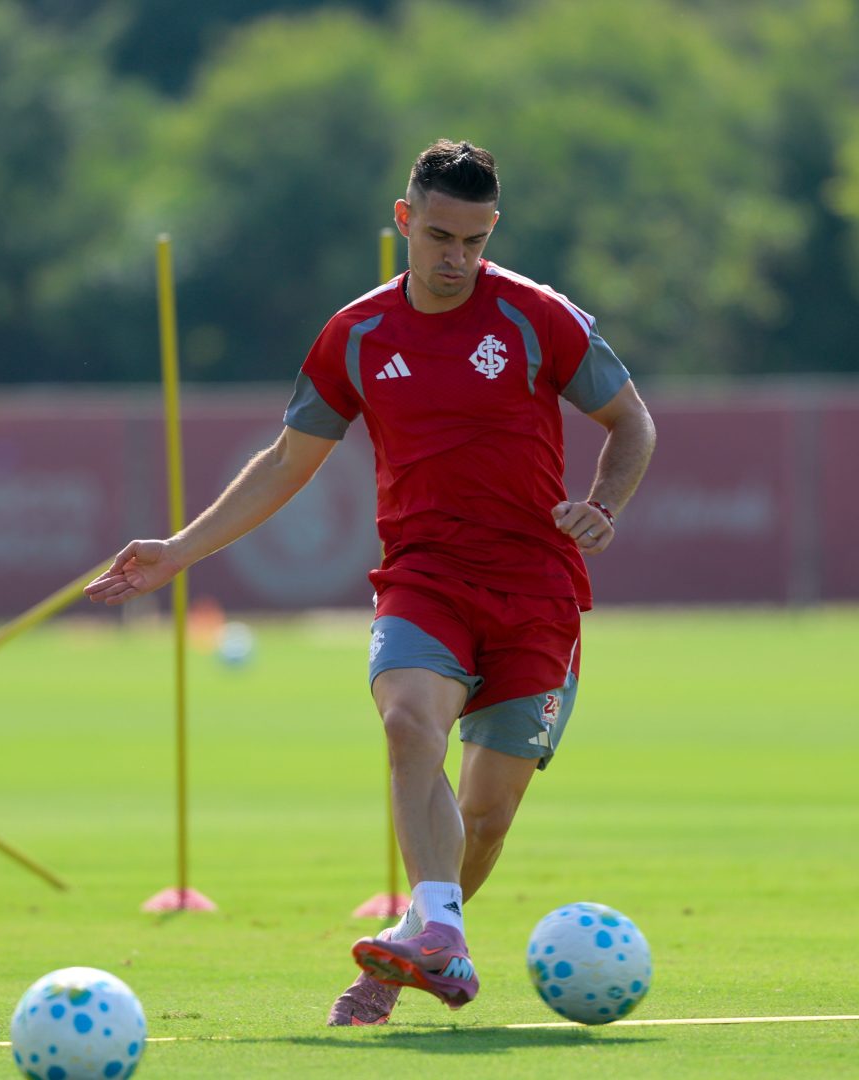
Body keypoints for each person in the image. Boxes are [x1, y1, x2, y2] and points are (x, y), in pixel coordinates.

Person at [87, 140, 655, 1024]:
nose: (456, 258)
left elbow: (632, 422)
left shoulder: (537, 317)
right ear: (403, 220)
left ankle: (412, 948)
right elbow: (287, 461)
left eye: (474, 241)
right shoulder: (355, 335)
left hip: (537, 590)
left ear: (492, 231)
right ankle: (441, 933)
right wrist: (181, 549)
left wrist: (603, 505)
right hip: (424, 578)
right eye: (439, 237)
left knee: (487, 815)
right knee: (406, 722)